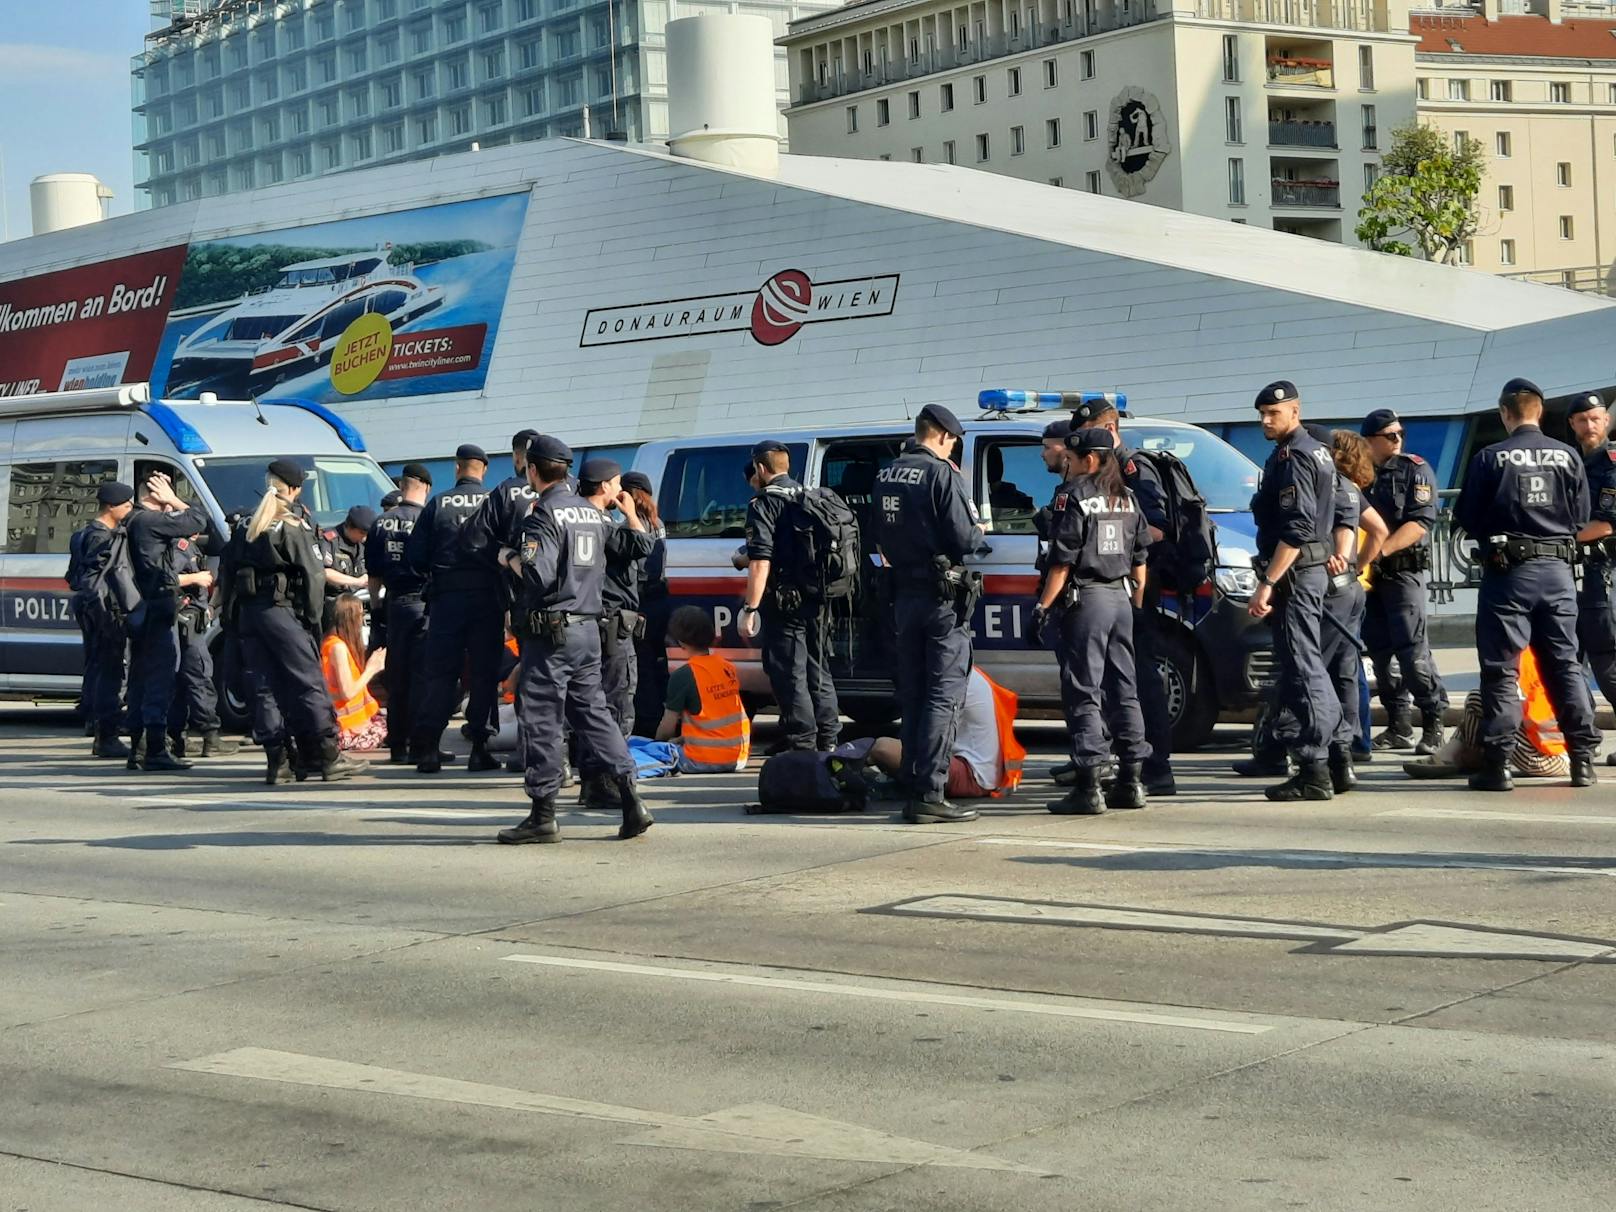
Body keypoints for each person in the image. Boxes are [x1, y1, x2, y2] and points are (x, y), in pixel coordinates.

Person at [494, 435, 652, 845]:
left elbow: (537, 575)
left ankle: (542, 814)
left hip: (552, 635)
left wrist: (509, 557)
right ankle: (631, 797)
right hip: (588, 630)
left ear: (532, 470)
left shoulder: (542, 515)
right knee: (595, 715)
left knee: (543, 719)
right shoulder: (593, 515)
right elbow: (635, 546)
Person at [1453, 377, 1600, 792]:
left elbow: (1468, 516)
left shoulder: (1489, 457)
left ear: (1505, 413)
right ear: (1539, 411)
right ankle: (1582, 761)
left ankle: (1498, 766)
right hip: (1557, 575)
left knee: (1501, 669)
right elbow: (1579, 517)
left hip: (1508, 574)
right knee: (1564, 664)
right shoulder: (1568, 455)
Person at [871, 404, 984, 824]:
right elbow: (965, 537)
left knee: (915, 695)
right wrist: (980, 532)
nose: (952, 446)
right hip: (941, 601)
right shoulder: (941, 474)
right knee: (943, 695)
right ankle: (930, 793)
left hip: (904, 596)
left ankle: (912, 782)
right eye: (952, 439)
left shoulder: (885, 474)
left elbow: (877, 534)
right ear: (941, 435)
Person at [1034, 426, 1151, 814]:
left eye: (1074, 456)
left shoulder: (1074, 496)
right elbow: (1140, 559)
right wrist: (1133, 601)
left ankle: (1088, 787)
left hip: (1087, 600)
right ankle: (1131, 782)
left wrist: (1044, 606)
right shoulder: (1128, 497)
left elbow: (1061, 561)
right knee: (1124, 689)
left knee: (1083, 690)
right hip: (1120, 599)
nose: (1069, 461)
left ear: (1091, 459)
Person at [228, 460, 365, 784]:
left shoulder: (246, 524)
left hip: (250, 615)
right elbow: (314, 577)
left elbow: (227, 572)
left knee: (264, 688)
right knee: (308, 683)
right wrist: (313, 622)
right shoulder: (292, 525)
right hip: (283, 614)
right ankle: (329, 756)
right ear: (294, 489)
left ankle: (278, 761)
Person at [1072, 397, 1177, 795]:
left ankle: (1155, 768)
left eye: (1087, 435)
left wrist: (1101, 545)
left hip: (1134, 586)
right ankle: (1114, 762)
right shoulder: (1104, 474)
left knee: (1137, 677)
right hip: (1119, 585)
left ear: (1110, 431)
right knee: (1115, 679)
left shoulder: (1134, 468)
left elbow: (1157, 528)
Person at [1247, 380, 1341, 801]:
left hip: (1298, 574)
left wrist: (1266, 584)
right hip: (1311, 571)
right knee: (1305, 666)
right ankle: (1327, 759)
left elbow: (1298, 528)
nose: (1266, 421)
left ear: (1296, 411)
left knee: (1305, 669)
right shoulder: (1315, 451)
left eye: (1274, 413)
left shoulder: (1295, 457)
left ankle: (1315, 767)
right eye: (1262, 414)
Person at [737, 440, 841, 754]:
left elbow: (761, 562)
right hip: (817, 599)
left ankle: (802, 743)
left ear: (759, 467)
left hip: (785, 602)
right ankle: (828, 738)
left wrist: (750, 608)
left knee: (789, 672)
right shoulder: (807, 496)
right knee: (817, 668)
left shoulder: (764, 504)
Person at [405, 443, 504, 774]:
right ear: (484, 470)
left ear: (457, 467)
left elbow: (415, 558)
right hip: (486, 599)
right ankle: (479, 748)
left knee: (439, 675)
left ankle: (430, 749)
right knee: (483, 674)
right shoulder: (495, 501)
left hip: (446, 600)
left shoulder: (438, 503)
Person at [1360, 407, 1448, 755]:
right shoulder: (1359, 473)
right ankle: (1398, 726)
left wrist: (1378, 552)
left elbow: (1420, 522)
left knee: (1413, 652)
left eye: (1400, 434)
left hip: (1402, 572)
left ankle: (1434, 722)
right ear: (1370, 441)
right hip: (1370, 578)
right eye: (1390, 436)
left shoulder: (1415, 469)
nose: (1397, 440)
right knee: (1381, 653)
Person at [125, 470, 212, 772]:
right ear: (154, 491)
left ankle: (138, 748)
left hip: (141, 610)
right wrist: (173, 499)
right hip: (159, 608)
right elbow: (199, 519)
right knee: (161, 678)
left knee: (140, 678)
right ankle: (155, 750)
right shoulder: (149, 521)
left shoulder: (133, 520)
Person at [1403, 646, 1569, 780]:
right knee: (1488, 703)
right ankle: (1457, 754)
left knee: (1479, 700)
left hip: (1545, 758)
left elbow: (1511, 713)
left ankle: (1460, 756)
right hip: (1563, 754)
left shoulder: (1521, 657)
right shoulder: (1550, 653)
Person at [579, 458, 654, 740]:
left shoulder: (573, 519)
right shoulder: (605, 525)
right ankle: (614, 756)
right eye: (617, 483)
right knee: (619, 691)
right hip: (611, 620)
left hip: (583, 618)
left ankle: (582, 752)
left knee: (586, 691)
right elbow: (644, 544)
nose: (621, 489)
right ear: (603, 486)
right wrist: (631, 513)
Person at [869, 665, 1025, 799]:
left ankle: (924, 795)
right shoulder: (963, 671)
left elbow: (927, 735)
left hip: (973, 775)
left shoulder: (947, 679)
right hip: (986, 773)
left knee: (881, 748)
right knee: (881, 750)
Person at [367, 463, 433, 764]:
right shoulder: (428, 520)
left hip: (394, 605)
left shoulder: (381, 523)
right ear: (426, 488)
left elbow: (373, 575)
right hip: (423, 604)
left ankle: (397, 744)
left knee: (397, 675)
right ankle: (421, 744)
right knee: (422, 675)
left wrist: (377, 606)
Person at [67, 481, 136, 760]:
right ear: (111, 507)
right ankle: (106, 735)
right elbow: (108, 576)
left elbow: (73, 577)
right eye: (127, 505)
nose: (131, 510)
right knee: (110, 669)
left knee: (96, 665)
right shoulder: (103, 537)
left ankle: (95, 723)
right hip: (104, 607)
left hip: (89, 605)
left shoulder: (82, 534)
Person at [1567, 392, 1616, 749]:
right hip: (1570, 572)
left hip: (1604, 572)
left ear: (1606, 421)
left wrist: (1556, 541)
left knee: (1605, 658)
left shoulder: (1612, 463)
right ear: (1572, 424)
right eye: (1582, 420)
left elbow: (1607, 524)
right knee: (1567, 659)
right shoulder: (1572, 463)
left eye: (1595, 419)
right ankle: (1584, 739)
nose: (1589, 426)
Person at [166, 514, 236, 759]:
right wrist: (198, 578)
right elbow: (170, 578)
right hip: (187, 622)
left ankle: (178, 739)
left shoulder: (186, 546)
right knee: (199, 676)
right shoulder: (181, 547)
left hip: (189, 619)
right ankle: (209, 736)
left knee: (184, 681)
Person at [654, 605, 752, 772]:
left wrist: (656, 744)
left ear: (681, 643)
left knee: (651, 750)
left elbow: (667, 727)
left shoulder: (683, 675)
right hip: (739, 758)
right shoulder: (727, 668)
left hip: (701, 760)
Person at [625, 470, 671, 736]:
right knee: (658, 661)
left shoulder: (632, 525)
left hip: (641, 601)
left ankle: (648, 722)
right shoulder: (658, 522)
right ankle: (664, 715)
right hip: (661, 599)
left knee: (640, 666)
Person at [320, 592, 390, 752]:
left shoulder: (331, 643)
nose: (362, 619)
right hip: (346, 729)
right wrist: (371, 669)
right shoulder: (338, 648)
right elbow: (347, 692)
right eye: (360, 614)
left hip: (346, 724)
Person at [319, 505, 374, 633]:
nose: (364, 538)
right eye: (361, 533)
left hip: (361, 603)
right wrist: (357, 581)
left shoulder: (364, 544)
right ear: (349, 526)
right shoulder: (329, 540)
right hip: (334, 604)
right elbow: (325, 572)